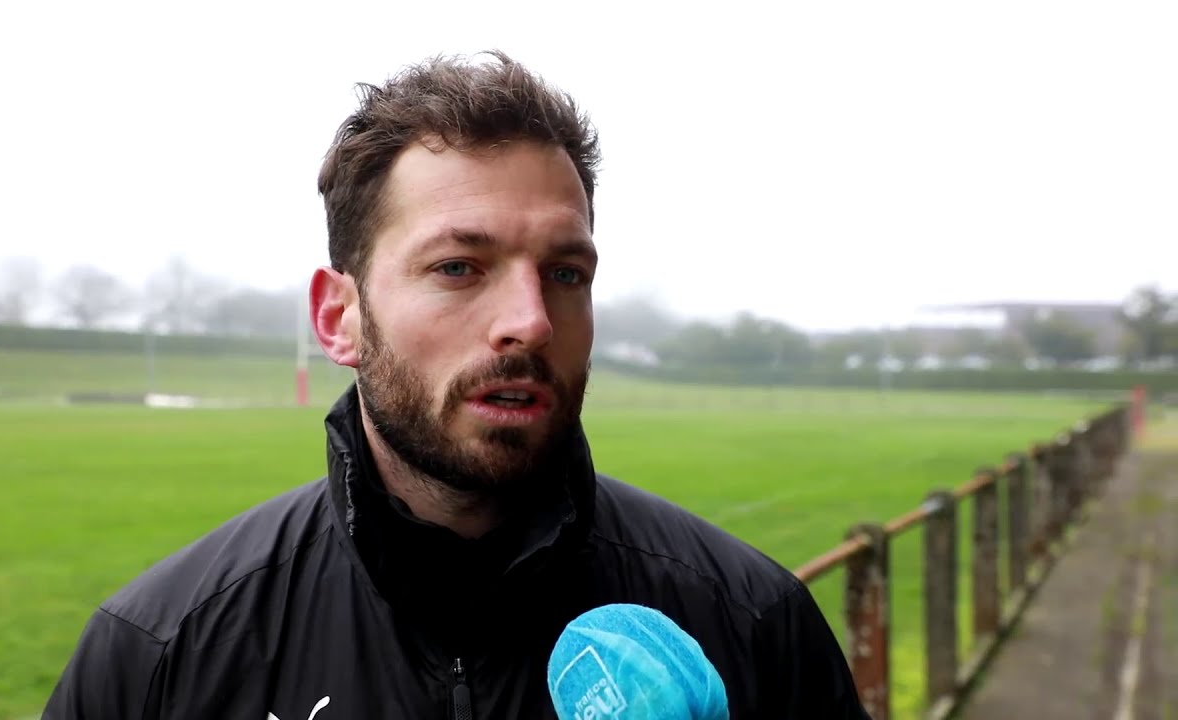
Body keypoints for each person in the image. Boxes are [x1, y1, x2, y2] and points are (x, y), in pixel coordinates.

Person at [43, 51, 870, 719]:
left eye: (566, 272)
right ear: (340, 318)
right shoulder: (160, 652)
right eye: (458, 267)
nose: (532, 320)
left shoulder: (750, 622)